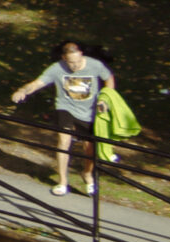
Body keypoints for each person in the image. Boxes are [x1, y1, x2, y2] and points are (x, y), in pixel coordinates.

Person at [10, 40, 115, 196]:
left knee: (90, 149)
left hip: (89, 111)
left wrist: (105, 98)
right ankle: (63, 182)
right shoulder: (57, 68)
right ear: (64, 58)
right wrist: (23, 90)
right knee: (63, 141)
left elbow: (109, 78)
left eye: (78, 61)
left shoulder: (94, 65)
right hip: (65, 108)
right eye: (71, 63)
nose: (75, 66)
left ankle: (87, 174)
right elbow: (37, 83)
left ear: (82, 55)